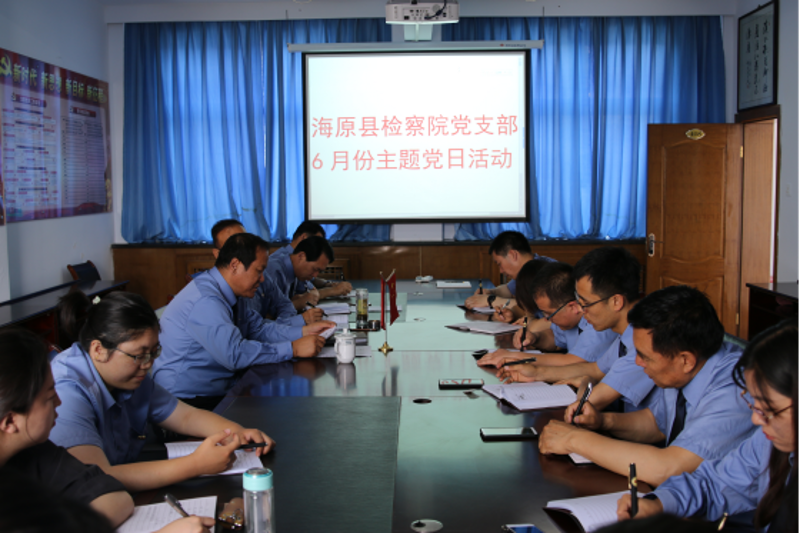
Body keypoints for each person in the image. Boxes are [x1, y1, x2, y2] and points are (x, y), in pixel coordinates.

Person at [49, 291, 275, 493]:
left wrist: (238, 433)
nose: (148, 364)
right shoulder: (65, 391)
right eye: (140, 355)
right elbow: (97, 478)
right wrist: (195, 465)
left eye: (154, 352)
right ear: (98, 350)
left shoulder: (130, 375)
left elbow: (185, 417)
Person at [0, 329, 217, 533]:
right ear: (10, 421)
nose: (59, 401)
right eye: (49, 397)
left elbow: (114, 498)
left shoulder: (36, 451)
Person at [537, 285, 753, 486]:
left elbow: (670, 467)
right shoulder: (682, 368)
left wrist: (574, 440)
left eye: (645, 357)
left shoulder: (736, 390)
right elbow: (657, 424)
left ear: (686, 360)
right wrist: (603, 421)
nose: (638, 363)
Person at [616, 319, 798, 533]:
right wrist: (659, 503)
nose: (756, 420)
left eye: (768, 409)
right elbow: (715, 482)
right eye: (754, 405)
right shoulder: (766, 442)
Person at [154, 233, 333, 405]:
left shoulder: (233, 292)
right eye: (259, 271)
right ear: (235, 265)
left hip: (220, 387)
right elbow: (234, 354)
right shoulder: (206, 300)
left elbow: (257, 329)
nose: (262, 279)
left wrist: (302, 331)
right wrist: (292, 348)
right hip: (188, 399)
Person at [497, 247, 655, 413]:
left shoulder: (644, 344)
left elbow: (587, 405)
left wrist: (586, 383)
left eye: (586, 304)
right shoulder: (626, 334)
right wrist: (536, 372)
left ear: (616, 302)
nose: (580, 310)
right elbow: (595, 369)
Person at [478, 261, 617, 367]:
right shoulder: (567, 322)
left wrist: (515, 357)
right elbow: (555, 339)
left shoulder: (597, 321)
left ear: (573, 307)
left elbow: (574, 361)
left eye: (549, 314)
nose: (546, 319)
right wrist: (535, 337)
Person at [210, 219, 324, 326]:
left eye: (246, 243)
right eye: (233, 247)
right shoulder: (210, 298)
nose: (245, 251)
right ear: (217, 254)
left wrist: (297, 327)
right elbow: (254, 331)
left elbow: (261, 326)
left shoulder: (261, 276)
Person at [464, 231, 553, 324]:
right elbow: (509, 290)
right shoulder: (526, 270)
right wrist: (491, 292)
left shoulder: (546, 272)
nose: (501, 271)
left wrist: (491, 300)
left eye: (499, 264)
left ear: (513, 255)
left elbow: (530, 307)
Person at [269, 221, 353, 304]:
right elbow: (276, 309)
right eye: (316, 242)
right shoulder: (276, 267)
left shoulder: (295, 264)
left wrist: (328, 284)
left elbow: (307, 290)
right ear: (304, 238)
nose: (315, 275)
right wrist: (332, 290)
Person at [265, 235, 336, 311]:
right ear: (301, 256)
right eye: (315, 269)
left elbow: (311, 291)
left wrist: (300, 299)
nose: (315, 275)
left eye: (319, 271)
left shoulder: (298, 272)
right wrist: (297, 304)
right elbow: (264, 314)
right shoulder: (274, 270)